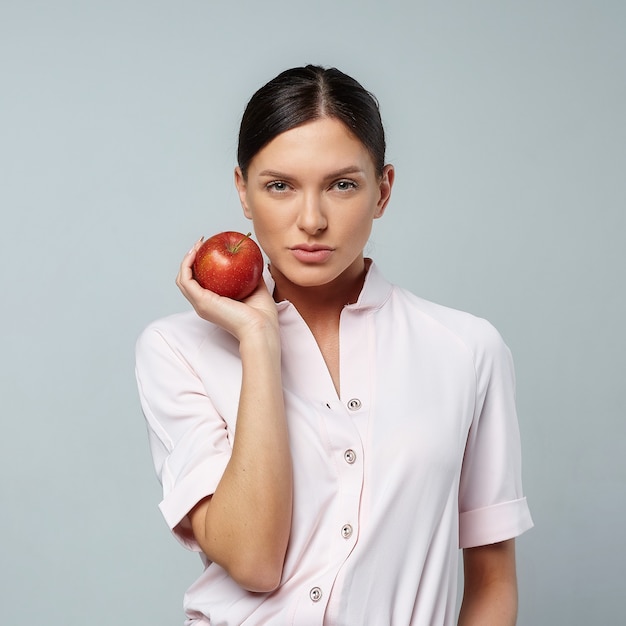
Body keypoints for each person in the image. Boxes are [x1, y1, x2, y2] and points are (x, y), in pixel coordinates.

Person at [135, 64, 533, 625]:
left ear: (383, 190)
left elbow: (492, 581)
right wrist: (258, 338)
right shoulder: (177, 350)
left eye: (342, 184)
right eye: (280, 186)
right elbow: (253, 561)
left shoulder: (467, 351)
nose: (312, 220)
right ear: (242, 192)